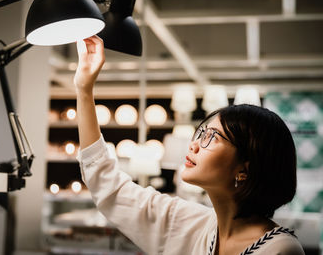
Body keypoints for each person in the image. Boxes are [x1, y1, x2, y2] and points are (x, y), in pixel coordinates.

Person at [74, 35, 305, 255]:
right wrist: (84, 89)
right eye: (201, 133)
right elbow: (109, 187)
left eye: (212, 137)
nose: (193, 145)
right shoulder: (189, 223)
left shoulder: (279, 249)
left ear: (244, 169)